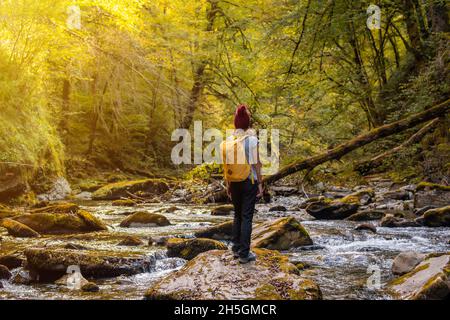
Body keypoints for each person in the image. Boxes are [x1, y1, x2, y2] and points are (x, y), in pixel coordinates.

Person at [225, 105, 264, 264]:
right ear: (248, 122)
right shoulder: (253, 140)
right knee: (247, 216)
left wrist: (228, 185)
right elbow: (257, 164)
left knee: (237, 214)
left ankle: (235, 249)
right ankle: (244, 254)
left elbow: (227, 165)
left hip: (234, 182)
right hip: (249, 181)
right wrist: (261, 183)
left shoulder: (229, 140)